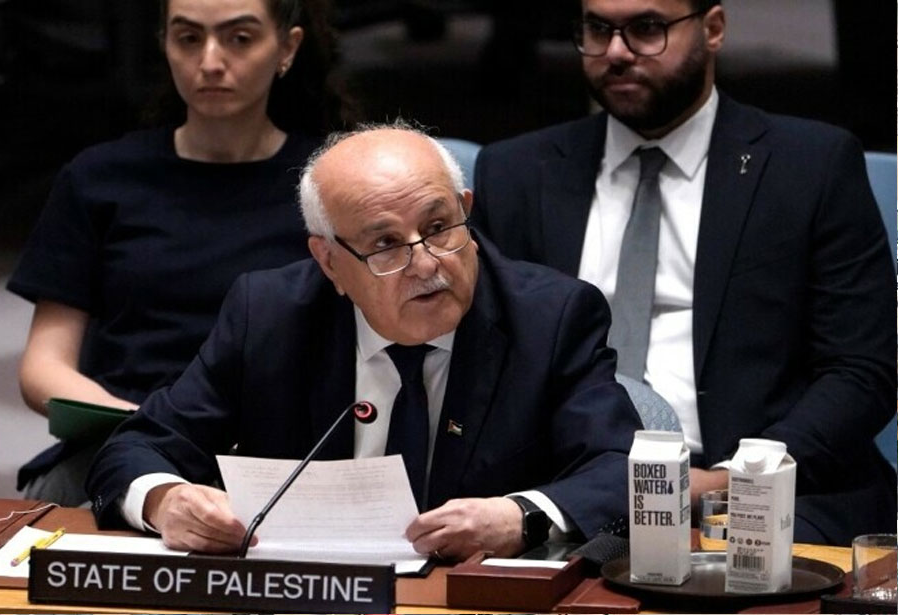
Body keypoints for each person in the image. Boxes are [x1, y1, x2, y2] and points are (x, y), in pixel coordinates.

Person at [86, 124, 643, 561]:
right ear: (329, 261)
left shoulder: (549, 317)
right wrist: (164, 500)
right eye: (385, 244)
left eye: (439, 228)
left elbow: (625, 469)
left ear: (466, 212)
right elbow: (137, 448)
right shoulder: (270, 315)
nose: (426, 263)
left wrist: (523, 516)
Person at [471, 0, 896, 545]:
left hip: (753, 490)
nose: (616, 52)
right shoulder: (516, 173)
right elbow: (483, 359)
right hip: (560, 492)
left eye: (647, 29)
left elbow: (861, 370)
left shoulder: (809, 165)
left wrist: (731, 480)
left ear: (712, 29)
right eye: (598, 29)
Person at [7, 0, 355, 506]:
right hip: (127, 436)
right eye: (189, 38)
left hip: (282, 454)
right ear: (164, 45)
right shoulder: (101, 178)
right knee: (50, 535)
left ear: (287, 47)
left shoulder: (332, 185)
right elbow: (43, 365)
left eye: (239, 39)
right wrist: (147, 431)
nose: (210, 61)